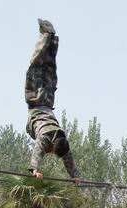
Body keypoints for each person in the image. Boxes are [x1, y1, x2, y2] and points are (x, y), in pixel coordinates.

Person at [25, 18, 80, 182]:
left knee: (49, 71)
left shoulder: (62, 140)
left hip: (48, 102)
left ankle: (52, 40)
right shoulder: (46, 138)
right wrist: (34, 170)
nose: (49, 153)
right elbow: (37, 153)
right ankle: (47, 36)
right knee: (35, 67)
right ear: (52, 147)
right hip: (36, 102)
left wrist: (76, 176)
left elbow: (69, 160)